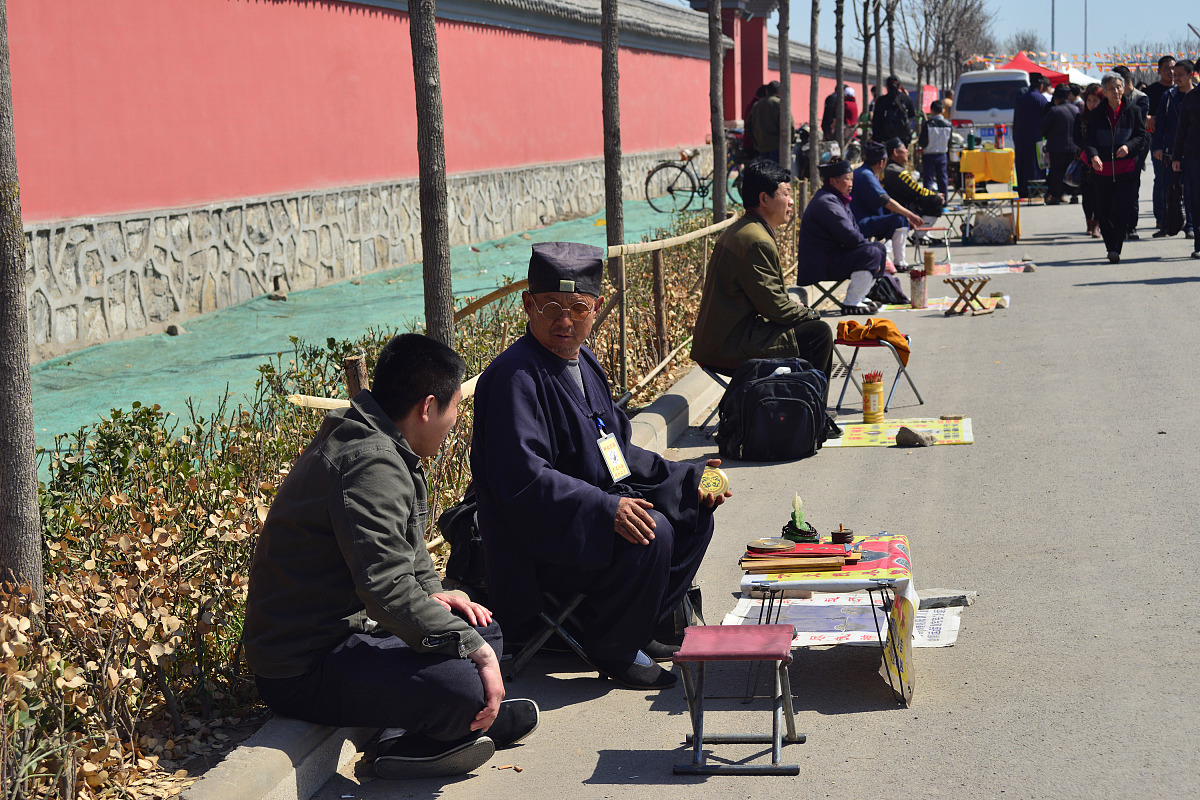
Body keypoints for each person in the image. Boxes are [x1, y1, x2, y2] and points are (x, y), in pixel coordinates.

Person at [243, 334, 540, 780]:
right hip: (304, 664)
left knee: (481, 624)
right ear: (426, 407)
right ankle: (412, 743)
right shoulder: (369, 463)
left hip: (356, 630)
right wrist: (473, 653)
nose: (456, 422)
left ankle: (463, 719)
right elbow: (385, 589)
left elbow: (409, 555)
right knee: (463, 680)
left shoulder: (385, 439)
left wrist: (441, 597)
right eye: (455, 408)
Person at [472, 242, 728, 692]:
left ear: (597, 308)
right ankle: (614, 649)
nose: (565, 321)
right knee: (653, 532)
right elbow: (523, 478)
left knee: (694, 512)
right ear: (528, 305)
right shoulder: (515, 377)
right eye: (551, 306)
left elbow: (620, 452)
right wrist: (604, 510)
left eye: (578, 307)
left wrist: (694, 476)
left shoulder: (583, 361)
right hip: (543, 534)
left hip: (591, 513)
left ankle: (635, 625)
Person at [691, 159, 834, 382]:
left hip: (723, 339)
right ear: (764, 199)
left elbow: (771, 302)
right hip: (729, 347)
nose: (792, 201)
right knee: (818, 333)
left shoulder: (746, 229)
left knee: (807, 330)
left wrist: (794, 310)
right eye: (786, 193)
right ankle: (812, 414)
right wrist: (810, 313)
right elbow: (775, 309)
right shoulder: (756, 240)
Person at [795, 158, 893, 314]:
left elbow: (855, 233)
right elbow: (850, 236)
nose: (851, 184)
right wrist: (871, 253)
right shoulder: (827, 201)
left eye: (852, 179)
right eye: (847, 179)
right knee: (872, 252)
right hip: (820, 264)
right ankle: (851, 302)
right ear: (833, 181)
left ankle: (860, 296)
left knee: (878, 249)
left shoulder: (838, 199)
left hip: (833, 257)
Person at [1082, 72, 1148, 263]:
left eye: (1119, 87)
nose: (1117, 91)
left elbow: (1141, 136)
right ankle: (1110, 244)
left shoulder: (1134, 111)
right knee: (1103, 211)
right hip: (1102, 170)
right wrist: (1093, 156)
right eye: (1112, 88)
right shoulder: (1096, 115)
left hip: (1126, 170)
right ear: (1105, 91)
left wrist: (1128, 147)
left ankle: (1115, 248)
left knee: (1122, 210)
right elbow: (1089, 140)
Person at [849, 140, 924, 270]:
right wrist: (910, 215)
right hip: (861, 224)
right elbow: (885, 200)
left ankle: (886, 256)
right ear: (882, 161)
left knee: (899, 218)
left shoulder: (863, 172)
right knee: (900, 219)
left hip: (862, 220)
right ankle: (898, 262)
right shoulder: (866, 175)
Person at [1152, 59, 1192, 238]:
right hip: (1170, 151)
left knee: (1192, 189)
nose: (1176, 78)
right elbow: (1160, 124)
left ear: (1191, 75)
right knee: (1169, 188)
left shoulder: (1197, 95)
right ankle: (1166, 223)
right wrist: (1158, 146)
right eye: (1175, 75)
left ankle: (1191, 225)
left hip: (1193, 151)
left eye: (1180, 75)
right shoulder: (1168, 96)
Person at [1113, 65, 1151, 239]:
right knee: (1114, 189)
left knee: (1132, 188)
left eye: (1117, 85)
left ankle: (1131, 226)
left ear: (1124, 82)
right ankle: (1117, 224)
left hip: (1135, 149)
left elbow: (1139, 124)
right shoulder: (1110, 99)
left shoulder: (1140, 98)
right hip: (1113, 149)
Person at [1172, 59, 1200, 258]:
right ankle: (1199, 245)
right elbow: (1181, 129)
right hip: (1193, 156)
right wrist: (1176, 156)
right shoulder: (1191, 97)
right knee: (1196, 200)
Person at [882, 137, 945, 223]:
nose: (907, 151)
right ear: (895, 152)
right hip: (900, 207)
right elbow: (917, 191)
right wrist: (935, 195)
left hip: (896, 204)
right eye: (904, 148)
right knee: (936, 200)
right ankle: (920, 233)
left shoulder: (890, 168)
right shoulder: (896, 171)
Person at [1040, 84, 1080, 205]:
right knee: (1072, 172)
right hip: (1073, 146)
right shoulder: (1076, 110)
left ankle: (1057, 196)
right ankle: (1074, 195)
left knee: (1057, 172)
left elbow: (1043, 128)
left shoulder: (1054, 110)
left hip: (1056, 147)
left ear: (1056, 98)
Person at [1074, 83, 1105, 237]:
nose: (1092, 104)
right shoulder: (1080, 118)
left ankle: (1097, 226)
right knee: (1087, 195)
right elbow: (1075, 138)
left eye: (1096, 100)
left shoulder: (1105, 117)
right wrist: (1087, 150)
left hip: (1101, 161)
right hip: (1085, 162)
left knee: (1100, 194)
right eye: (1090, 100)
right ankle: (1089, 222)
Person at [1013, 74, 1050, 198]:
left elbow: (1015, 120)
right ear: (1041, 86)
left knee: (1022, 165)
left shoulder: (1021, 99)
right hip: (1038, 139)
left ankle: (1023, 191)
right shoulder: (1041, 99)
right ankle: (1036, 192)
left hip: (1021, 139)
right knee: (1037, 166)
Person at [918, 99, 952, 195]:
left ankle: (928, 202)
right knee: (942, 180)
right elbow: (950, 142)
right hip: (942, 155)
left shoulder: (928, 124)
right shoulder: (948, 125)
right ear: (943, 111)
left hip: (929, 155)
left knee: (928, 180)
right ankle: (944, 202)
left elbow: (922, 141)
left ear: (931, 110)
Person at [871, 75, 915, 144]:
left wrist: (876, 138)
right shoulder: (907, 99)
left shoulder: (881, 100)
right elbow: (912, 116)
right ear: (899, 86)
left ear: (887, 86)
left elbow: (876, 121)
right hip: (903, 139)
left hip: (886, 139)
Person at [751, 80, 783, 163]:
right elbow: (790, 125)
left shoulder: (756, 105)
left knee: (765, 172)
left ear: (767, 91)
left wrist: (757, 142)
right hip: (777, 146)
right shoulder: (780, 104)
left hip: (762, 147)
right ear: (779, 92)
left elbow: (749, 126)